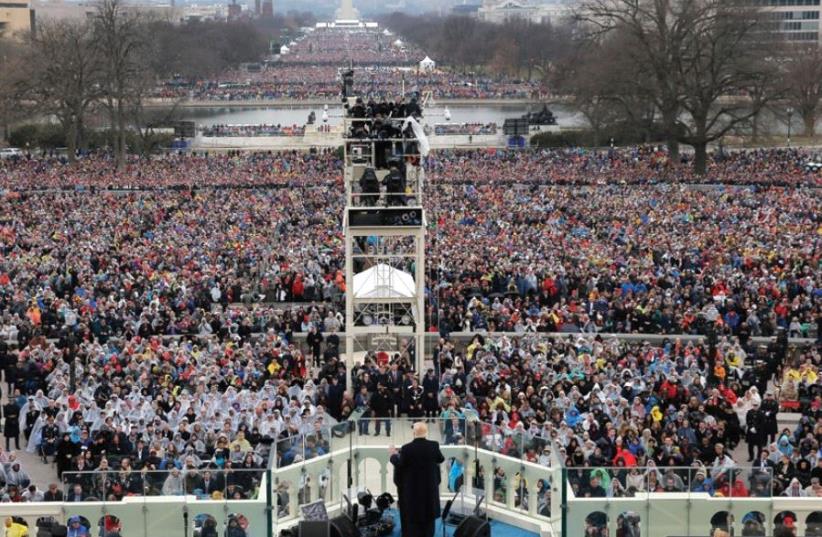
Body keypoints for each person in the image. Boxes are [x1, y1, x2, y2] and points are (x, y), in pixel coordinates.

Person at [389, 422, 444, 537]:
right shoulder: (434, 445)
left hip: (413, 490)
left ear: (414, 433)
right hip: (429, 489)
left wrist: (393, 454)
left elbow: (399, 463)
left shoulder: (407, 449)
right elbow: (441, 459)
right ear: (426, 433)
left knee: (414, 520)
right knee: (429, 519)